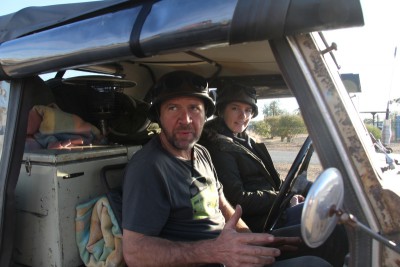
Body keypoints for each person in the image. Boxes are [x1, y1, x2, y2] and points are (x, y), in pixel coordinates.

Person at [122, 70, 332, 267]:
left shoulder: (202, 153)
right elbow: (134, 252)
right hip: (210, 258)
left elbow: (223, 205)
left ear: (205, 115)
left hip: (228, 254)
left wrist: (252, 242)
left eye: (194, 108)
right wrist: (215, 251)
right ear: (159, 116)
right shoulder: (148, 167)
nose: (185, 120)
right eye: (173, 108)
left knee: (331, 234)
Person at [199, 83, 348, 266]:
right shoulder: (219, 148)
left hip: (276, 212)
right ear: (222, 111)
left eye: (248, 110)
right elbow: (238, 199)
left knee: (338, 212)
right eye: (235, 108)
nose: (243, 116)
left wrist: (292, 194)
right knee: (335, 233)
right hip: (260, 224)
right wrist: (283, 197)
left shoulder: (246, 141)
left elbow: (273, 182)